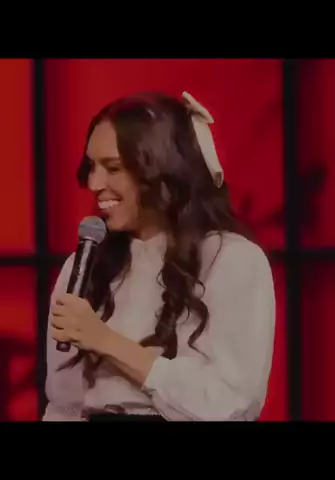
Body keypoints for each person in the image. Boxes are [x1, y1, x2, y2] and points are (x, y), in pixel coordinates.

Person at [44, 91, 276, 421]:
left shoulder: (231, 260)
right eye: (91, 167)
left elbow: (230, 402)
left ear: (163, 171)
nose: (94, 183)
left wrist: (105, 340)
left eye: (113, 168)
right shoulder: (84, 266)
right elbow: (63, 402)